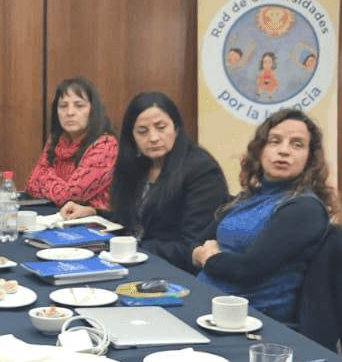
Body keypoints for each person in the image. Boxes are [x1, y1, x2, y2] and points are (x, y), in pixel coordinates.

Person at [191, 109, 339, 324]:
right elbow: (195, 242)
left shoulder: (305, 209)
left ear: (309, 158)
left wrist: (207, 257)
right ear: (259, 150)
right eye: (274, 141)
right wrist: (202, 253)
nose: (284, 151)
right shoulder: (248, 197)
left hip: (251, 321)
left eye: (297, 145)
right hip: (208, 305)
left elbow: (247, 269)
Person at [105, 92, 229, 269]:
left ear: (176, 128)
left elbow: (193, 244)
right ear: (131, 137)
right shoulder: (139, 166)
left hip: (174, 269)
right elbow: (131, 221)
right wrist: (93, 213)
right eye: (142, 131)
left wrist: (133, 248)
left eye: (161, 127)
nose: (153, 138)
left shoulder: (202, 170)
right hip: (135, 259)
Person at [27, 77, 118, 218]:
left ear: (93, 110)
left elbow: (68, 195)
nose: (70, 112)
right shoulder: (56, 140)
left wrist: (43, 178)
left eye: (79, 106)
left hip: (99, 222)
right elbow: (31, 184)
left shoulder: (106, 145)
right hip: (58, 216)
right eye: (63, 106)